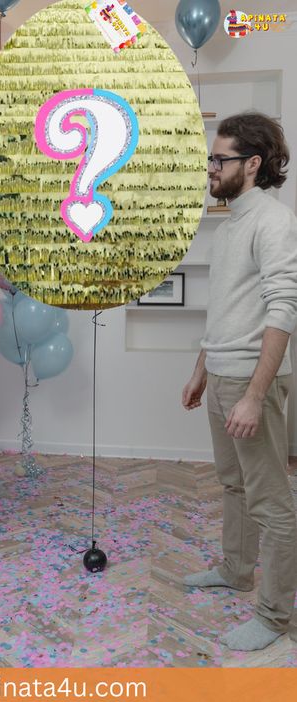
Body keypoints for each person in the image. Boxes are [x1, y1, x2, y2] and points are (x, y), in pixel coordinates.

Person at [182, 112, 297, 651]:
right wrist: (201, 371)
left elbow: (283, 308)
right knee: (233, 486)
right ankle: (235, 570)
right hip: (222, 377)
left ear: (251, 165)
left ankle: (273, 617)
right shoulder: (229, 227)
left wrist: (254, 394)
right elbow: (224, 310)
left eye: (219, 159)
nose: (211, 168)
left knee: (271, 505)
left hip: (254, 385)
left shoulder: (272, 221)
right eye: (211, 158)